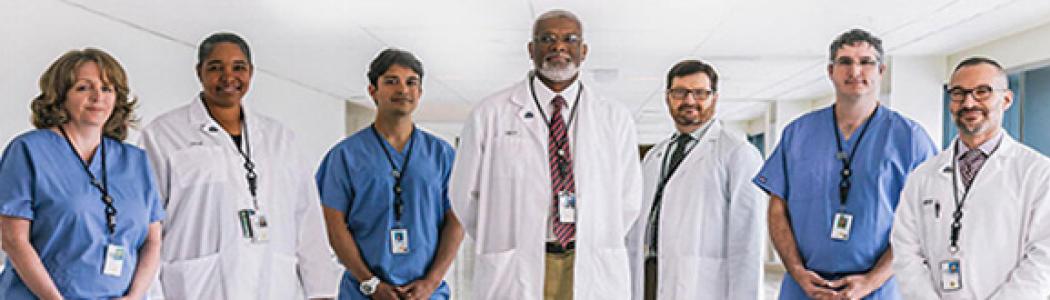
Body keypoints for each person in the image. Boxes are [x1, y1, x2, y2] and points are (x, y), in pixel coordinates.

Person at [449, 9, 644, 299]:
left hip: (589, 259)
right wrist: (501, 237)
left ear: (584, 50)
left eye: (570, 39)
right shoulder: (490, 113)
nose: (558, 47)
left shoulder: (615, 117)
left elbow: (629, 199)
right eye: (547, 39)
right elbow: (464, 195)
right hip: (515, 264)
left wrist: (594, 232)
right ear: (531, 49)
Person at [139, 32, 341, 299]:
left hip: (271, 282)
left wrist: (322, 291)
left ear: (251, 73)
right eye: (215, 68)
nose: (228, 77)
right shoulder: (162, 135)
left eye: (238, 67)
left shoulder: (280, 138)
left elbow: (307, 218)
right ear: (199, 72)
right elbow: (145, 225)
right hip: (198, 287)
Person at [753, 29, 937, 299]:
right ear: (830, 71)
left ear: (881, 70)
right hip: (805, 286)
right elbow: (777, 208)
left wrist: (871, 281)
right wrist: (796, 270)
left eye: (866, 62)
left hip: (878, 288)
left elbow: (924, 220)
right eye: (845, 62)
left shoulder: (909, 138)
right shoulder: (798, 133)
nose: (856, 70)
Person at [0, 48, 163, 299]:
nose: (98, 96)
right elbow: (12, 238)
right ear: (60, 95)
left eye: (107, 89)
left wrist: (133, 297)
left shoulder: (135, 161)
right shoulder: (28, 151)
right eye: (84, 88)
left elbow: (153, 241)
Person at [892, 57, 1050, 299]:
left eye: (982, 92)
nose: (969, 102)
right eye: (958, 93)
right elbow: (906, 251)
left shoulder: (1038, 173)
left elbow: (1044, 258)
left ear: (1006, 99)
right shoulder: (923, 176)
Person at [316, 49, 463, 300]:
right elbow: (334, 226)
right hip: (363, 292)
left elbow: (457, 220)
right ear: (373, 91)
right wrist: (370, 284)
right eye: (391, 81)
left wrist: (430, 282)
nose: (403, 90)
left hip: (427, 293)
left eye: (411, 82)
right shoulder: (345, 156)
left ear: (420, 92)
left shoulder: (442, 155)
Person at [627, 60, 765, 300]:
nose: (689, 101)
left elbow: (748, 243)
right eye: (680, 92)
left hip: (703, 284)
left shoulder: (738, 153)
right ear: (668, 97)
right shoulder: (655, 155)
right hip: (651, 275)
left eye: (700, 93)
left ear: (715, 97)